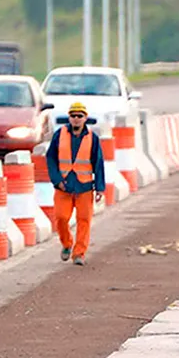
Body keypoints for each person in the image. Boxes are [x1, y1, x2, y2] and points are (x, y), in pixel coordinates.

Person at [45, 102, 106, 265]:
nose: (76, 119)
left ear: (85, 118)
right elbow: (50, 158)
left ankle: (79, 253)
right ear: (69, 118)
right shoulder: (60, 135)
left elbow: (98, 162)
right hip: (64, 186)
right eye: (73, 116)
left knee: (83, 220)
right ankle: (66, 243)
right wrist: (57, 180)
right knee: (61, 218)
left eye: (80, 116)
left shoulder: (92, 138)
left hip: (84, 186)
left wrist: (100, 187)